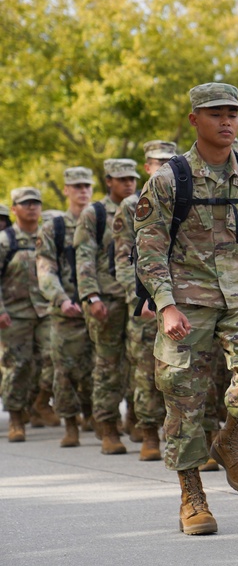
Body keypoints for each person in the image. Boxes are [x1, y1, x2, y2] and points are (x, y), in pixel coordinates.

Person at [134, 82, 238, 535]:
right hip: (185, 300)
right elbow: (149, 248)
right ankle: (192, 496)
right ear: (195, 119)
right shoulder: (168, 180)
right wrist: (165, 305)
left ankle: (231, 438)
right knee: (183, 398)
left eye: (233, 114)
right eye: (216, 114)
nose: (227, 122)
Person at [113, 141, 178, 461]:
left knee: (182, 370)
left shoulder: (185, 193)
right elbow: (124, 257)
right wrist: (139, 300)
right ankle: (149, 432)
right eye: (158, 162)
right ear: (146, 167)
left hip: (182, 296)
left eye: (171, 160)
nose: (164, 166)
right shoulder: (130, 205)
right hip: (146, 299)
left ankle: (183, 432)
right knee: (144, 369)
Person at [75, 158, 139, 454]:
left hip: (137, 297)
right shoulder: (95, 213)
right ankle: (108, 428)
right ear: (109, 180)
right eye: (121, 178)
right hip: (107, 299)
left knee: (141, 363)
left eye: (132, 178)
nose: (128, 183)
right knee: (109, 365)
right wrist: (91, 296)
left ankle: (138, 419)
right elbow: (84, 255)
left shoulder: (143, 206)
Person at [37, 167, 95, 448]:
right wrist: (61, 299)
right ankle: (70, 424)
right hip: (67, 310)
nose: (82, 190)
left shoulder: (102, 220)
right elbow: (45, 268)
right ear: (66, 189)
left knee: (105, 368)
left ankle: (98, 416)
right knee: (66, 370)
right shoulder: (54, 227)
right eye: (76, 186)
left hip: (101, 308)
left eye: (86, 185)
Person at [0, 188, 48, 441]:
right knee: (16, 366)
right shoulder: (5, 240)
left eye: (36, 203)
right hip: (14, 314)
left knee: (54, 360)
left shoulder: (48, 235)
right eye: (26, 203)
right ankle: (17, 419)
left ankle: (40, 403)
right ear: (14, 208)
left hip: (46, 311)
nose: (32, 207)